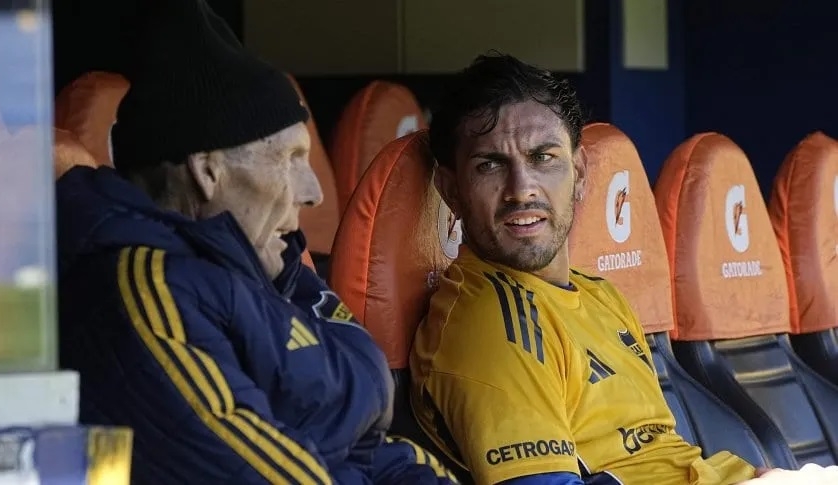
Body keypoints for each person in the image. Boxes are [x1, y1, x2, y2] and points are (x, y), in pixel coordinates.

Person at [55, 1, 458, 483]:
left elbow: (372, 441)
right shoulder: (144, 288)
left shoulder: (272, 265)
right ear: (207, 172)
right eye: (289, 159)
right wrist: (349, 423)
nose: (313, 191)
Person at [408, 53, 768, 485]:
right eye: (490, 165)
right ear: (451, 191)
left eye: (543, 158)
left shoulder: (602, 295)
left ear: (579, 173)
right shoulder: (492, 321)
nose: (522, 190)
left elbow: (659, 454)